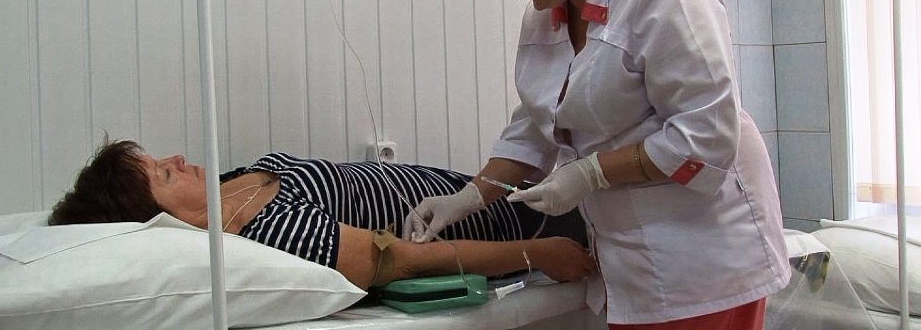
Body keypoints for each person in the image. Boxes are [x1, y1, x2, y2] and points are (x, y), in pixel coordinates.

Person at [402, 0, 790, 329]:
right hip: (627, 256)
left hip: (705, 254)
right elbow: (538, 125)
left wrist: (590, 174)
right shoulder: (546, 15)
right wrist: (468, 198)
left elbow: (706, 136)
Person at [48, 138, 595, 290]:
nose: (176, 160)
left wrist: (472, 190)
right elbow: (405, 260)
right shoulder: (270, 235)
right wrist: (534, 253)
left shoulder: (227, 183)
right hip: (508, 228)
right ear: (161, 220)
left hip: (480, 193)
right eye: (163, 175)